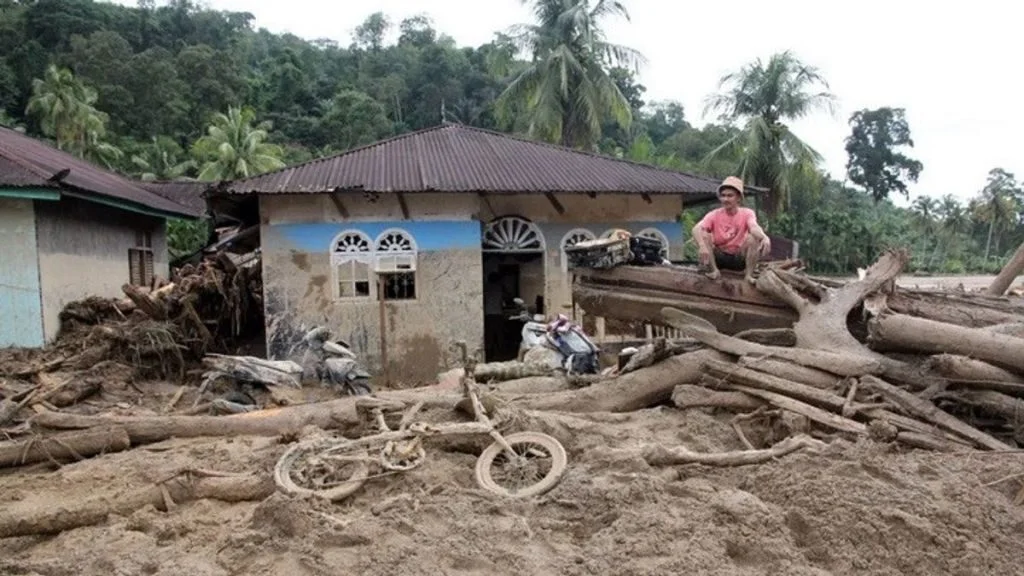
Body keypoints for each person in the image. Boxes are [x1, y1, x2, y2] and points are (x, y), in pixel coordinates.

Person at [692, 176, 771, 283]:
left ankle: (748, 275)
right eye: (723, 196)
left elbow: (754, 227)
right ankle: (714, 271)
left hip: (738, 258)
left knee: (753, 238)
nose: (726, 199)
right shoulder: (714, 214)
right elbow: (697, 228)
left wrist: (764, 237)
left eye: (730, 196)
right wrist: (702, 245)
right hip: (719, 257)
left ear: (738, 198)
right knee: (705, 235)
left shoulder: (747, 213)